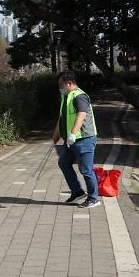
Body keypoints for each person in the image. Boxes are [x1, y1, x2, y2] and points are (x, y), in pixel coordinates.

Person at [53, 71, 99, 208]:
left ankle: (93, 198)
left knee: (86, 169)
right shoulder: (66, 96)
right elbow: (62, 117)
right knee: (63, 163)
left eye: (61, 85)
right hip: (70, 140)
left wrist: (73, 133)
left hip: (84, 138)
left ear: (69, 83)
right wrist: (56, 132)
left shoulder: (80, 96)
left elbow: (81, 115)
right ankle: (77, 191)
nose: (60, 88)